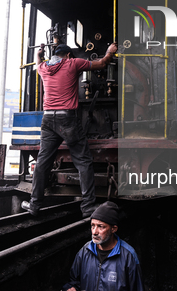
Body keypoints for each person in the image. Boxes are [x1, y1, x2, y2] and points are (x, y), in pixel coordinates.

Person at [21, 42, 118, 217]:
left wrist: (39, 53)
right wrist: (109, 52)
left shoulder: (43, 67)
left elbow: (37, 63)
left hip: (48, 119)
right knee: (83, 161)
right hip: (67, 119)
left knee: (43, 162)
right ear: (67, 55)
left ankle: (34, 205)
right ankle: (88, 206)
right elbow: (102, 63)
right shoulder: (72, 63)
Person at [63, 201, 144, 291]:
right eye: (92, 226)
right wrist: (72, 288)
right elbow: (74, 281)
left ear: (113, 229)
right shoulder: (85, 251)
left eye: (101, 226)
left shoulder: (128, 256)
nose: (94, 232)